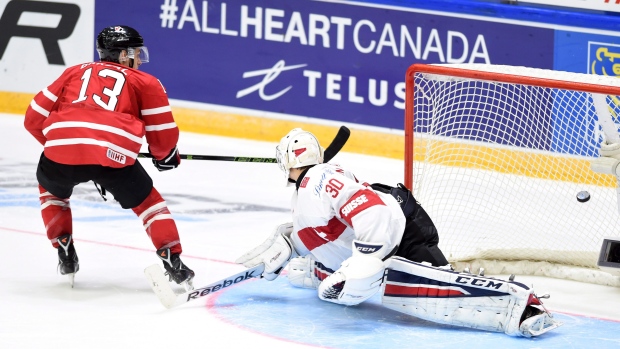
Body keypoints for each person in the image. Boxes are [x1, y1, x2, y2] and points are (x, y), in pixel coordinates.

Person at [236, 128, 561, 337]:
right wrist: (289, 245)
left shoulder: (318, 179)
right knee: (410, 285)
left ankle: (521, 305)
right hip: (395, 223)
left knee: (434, 288)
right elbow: (333, 228)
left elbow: (370, 210)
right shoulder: (309, 188)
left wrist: (364, 260)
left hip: (401, 227)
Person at [23, 25, 194, 289]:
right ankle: (172, 258)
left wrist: (64, 147)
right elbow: (162, 134)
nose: (139, 59)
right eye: (136, 53)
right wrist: (165, 157)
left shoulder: (74, 72)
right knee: (149, 205)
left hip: (60, 152)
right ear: (125, 54)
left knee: (52, 193)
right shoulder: (147, 82)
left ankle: (63, 247)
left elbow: (33, 117)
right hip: (115, 158)